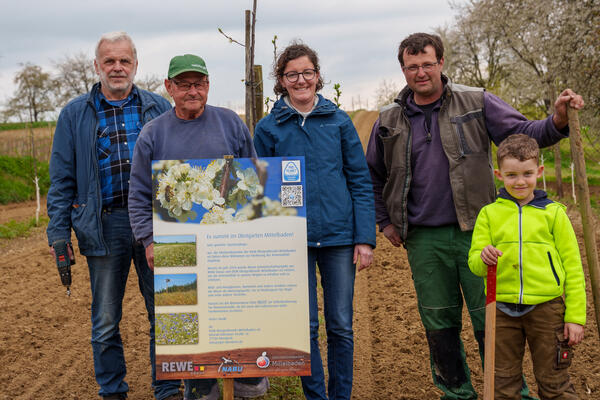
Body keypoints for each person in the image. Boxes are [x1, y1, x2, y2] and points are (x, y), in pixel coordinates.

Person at [365, 32, 584, 400]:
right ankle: (457, 393)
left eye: (427, 64)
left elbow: (524, 135)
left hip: (480, 233)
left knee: (491, 321)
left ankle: (508, 393)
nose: (421, 72)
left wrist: (557, 120)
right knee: (439, 323)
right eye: (412, 66)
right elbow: (372, 174)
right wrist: (385, 221)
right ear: (403, 69)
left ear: (441, 64)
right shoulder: (389, 118)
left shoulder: (475, 101)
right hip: (423, 239)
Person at [128, 54, 268, 400]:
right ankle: (202, 389)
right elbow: (140, 193)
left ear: (208, 85)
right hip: (180, 248)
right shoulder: (154, 133)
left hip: (230, 246)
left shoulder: (230, 123)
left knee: (237, 314)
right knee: (192, 325)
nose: (193, 91)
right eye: (184, 84)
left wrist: (259, 235)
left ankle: (248, 385)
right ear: (169, 88)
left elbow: (254, 180)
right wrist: (148, 241)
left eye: (199, 83)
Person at [46, 32, 177, 400]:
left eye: (124, 61)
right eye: (109, 61)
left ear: (135, 64)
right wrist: (59, 233)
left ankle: (167, 387)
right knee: (105, 321)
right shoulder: (75, 114)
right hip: (104, 225)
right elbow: (62, 180)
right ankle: (112, 390)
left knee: (164, 312)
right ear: (97, 66)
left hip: (154, 225)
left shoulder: (158, 107)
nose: (117, 68)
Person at [253, 42, 376, 400]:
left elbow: (359, 182)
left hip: (338, 238)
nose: (301, 80)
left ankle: (341, 395)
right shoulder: (269, 128)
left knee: (340, 325)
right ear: (281, 80)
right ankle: (315, 395)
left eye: (307, 72)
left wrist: (364, 238)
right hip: (293, 242)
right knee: (304, 327)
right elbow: (260, 189)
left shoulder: (339, 122)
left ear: (318, 76)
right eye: (292, 74)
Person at [468, 134, 586, 399]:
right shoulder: (489, 214)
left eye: (527, 174)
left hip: (548, 310)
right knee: (502, 385)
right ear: (499, 174)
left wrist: (575, 317)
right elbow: (475, 263)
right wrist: (483, 257)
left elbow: (574, 269)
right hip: (500, 309)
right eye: (511, 175)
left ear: (539, 171)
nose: (520, 181)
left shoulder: (555, 213)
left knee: (555, 383)